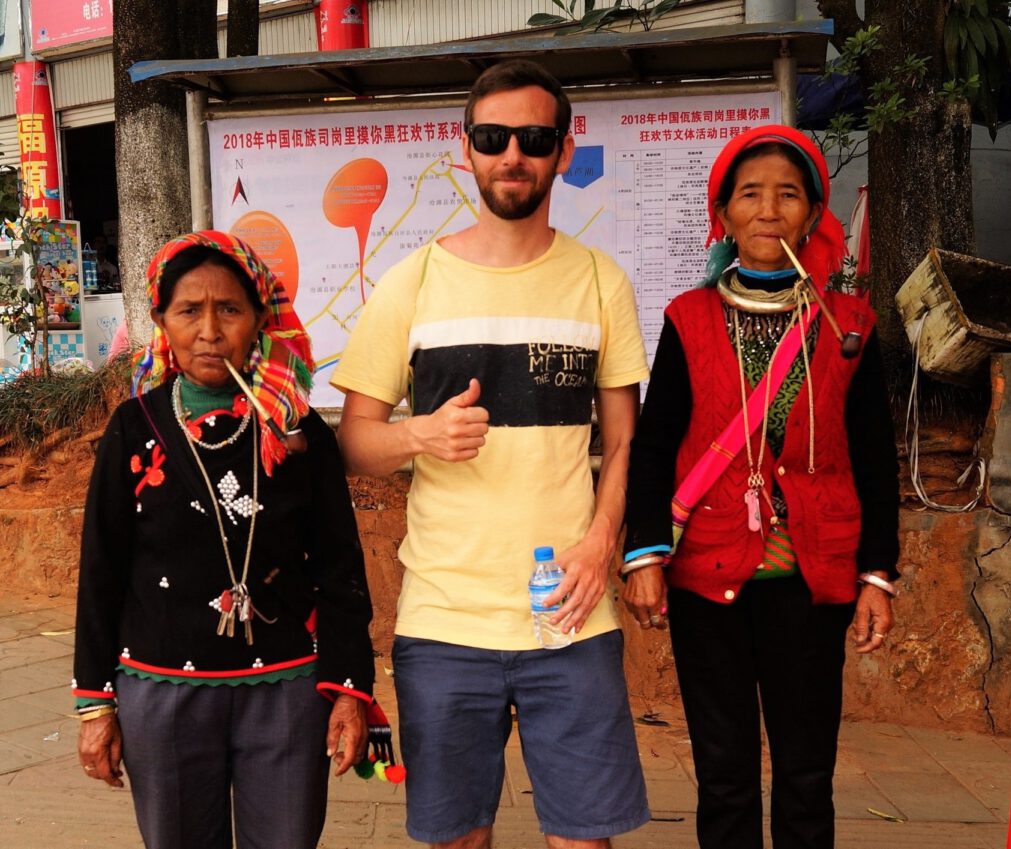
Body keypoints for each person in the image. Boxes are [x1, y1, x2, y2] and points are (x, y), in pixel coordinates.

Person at [332, 59, 651, 849]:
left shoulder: (600, 282)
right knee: (456, 839)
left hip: (569, 619)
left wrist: (604, 539)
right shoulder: (411, 283)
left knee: (585, 837)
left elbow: (623, 441)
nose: (514, 153)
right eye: (494, 136)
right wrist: (417, 434)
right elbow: (354, 440)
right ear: (464, 149)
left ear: (562, 152)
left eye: (534, 138)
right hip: (444, 620)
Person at [622, 125, 900, 849]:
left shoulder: (851, 327)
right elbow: (654, 446)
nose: (768, 209)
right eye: (750, 194)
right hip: (705, 581)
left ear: (812, 212)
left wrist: (877, 573)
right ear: (726, 213)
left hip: (811, 584)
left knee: (806, 775)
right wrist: (645, 553)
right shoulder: (688, 319)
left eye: (787, 193)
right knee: (723, 772)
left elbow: (875, 460)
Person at [73, 230, 378, 849]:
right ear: (162, 319)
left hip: (287, 691)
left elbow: (339, 564)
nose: (209, 330)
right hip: (161, 693)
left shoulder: (296, 432)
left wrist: (349, 689)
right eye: (189, 310)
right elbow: (101, 570)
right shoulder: (134, 428)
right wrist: (96, 704)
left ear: (260, 319)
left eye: (230, 309)